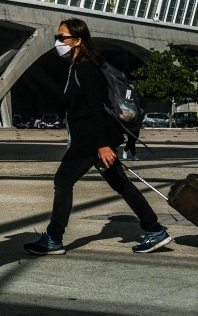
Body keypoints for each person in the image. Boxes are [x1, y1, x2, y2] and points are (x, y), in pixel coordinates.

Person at [24, 18, 171, 256]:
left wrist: (103, 145)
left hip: (91, 141)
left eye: (62, 37)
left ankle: (53, 239)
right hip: (92, 139)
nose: (58, 41)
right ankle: (154, 230)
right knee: (120, 183)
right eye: (57, 37)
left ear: (77, 41)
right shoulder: (78, 66)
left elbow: (96, 109)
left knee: (63, 181)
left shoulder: (86, 68)